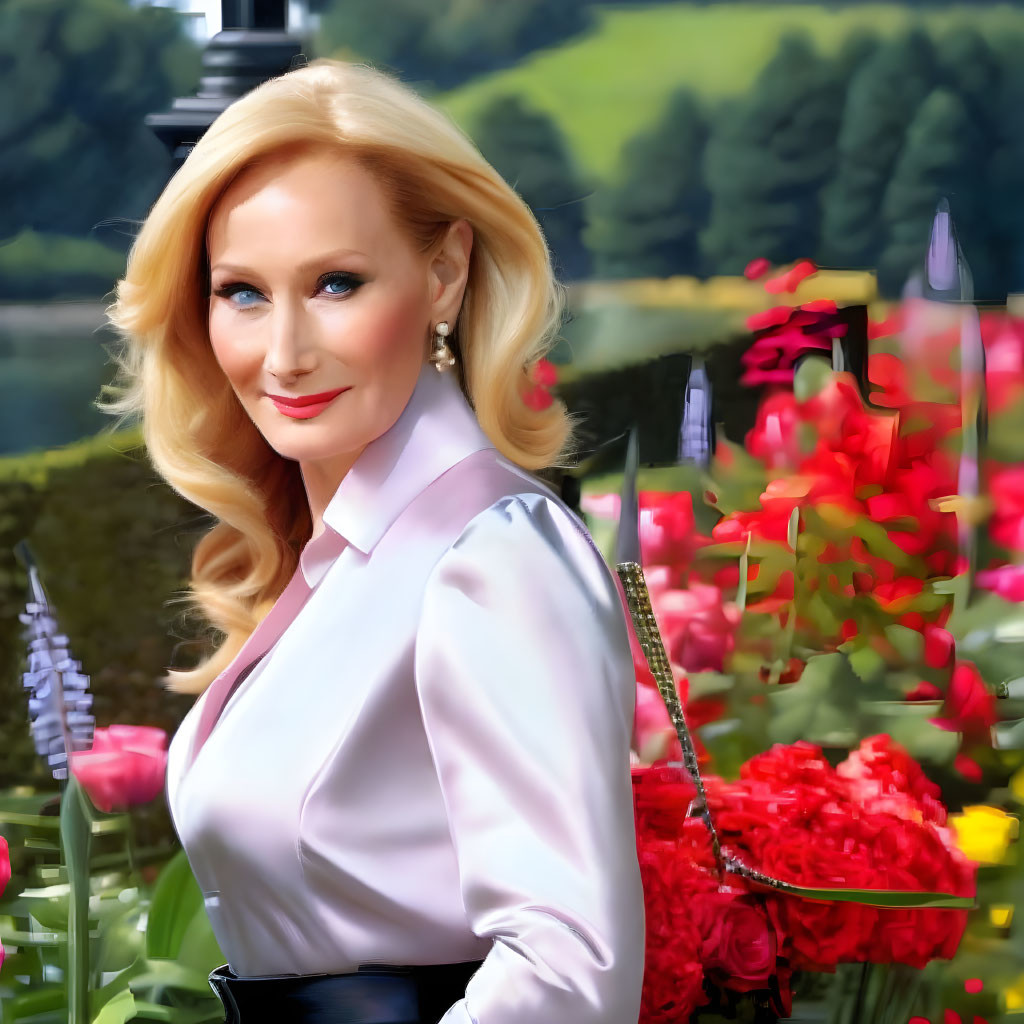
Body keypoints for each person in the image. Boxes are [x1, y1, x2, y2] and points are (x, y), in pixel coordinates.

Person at [99, 58, 645, 1024]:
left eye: (337, 283)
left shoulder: (491, 556)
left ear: (444, 274)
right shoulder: (340, 554)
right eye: (243, 293)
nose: (284, 354)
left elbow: (571, 975)